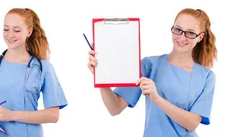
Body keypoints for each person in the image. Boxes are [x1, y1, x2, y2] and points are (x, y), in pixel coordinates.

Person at [87, 8, 217, 136]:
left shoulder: (206, 77)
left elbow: (192, 123)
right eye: (178, 30)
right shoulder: (149, 65)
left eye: (190, 33)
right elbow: (115, 108)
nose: (182, 37)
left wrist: (157, 99)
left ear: (200, 37)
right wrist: (101, 77)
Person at [0, 8, 68, 137]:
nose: (10, 35)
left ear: (29, 32)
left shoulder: (43, 68)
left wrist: (12, 115)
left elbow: (53, 115)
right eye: (6, 29)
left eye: (16, 30)